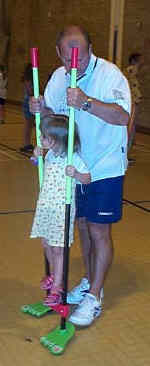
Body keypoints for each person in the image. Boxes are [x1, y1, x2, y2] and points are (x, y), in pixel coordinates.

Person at [30, 25, 131, 326]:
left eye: (82, 56)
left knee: (99, 230)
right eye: (69, 56)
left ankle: (95, 297)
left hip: (104, 166)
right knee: (85, 227)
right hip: (73, 167)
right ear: (59, 53)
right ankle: (88, 281)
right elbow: (53, 119)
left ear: (90, 48)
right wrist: (41, 108)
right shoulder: (58, 78)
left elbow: (123, 116)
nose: (76, 64)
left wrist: (86, 102)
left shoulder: (110, 75)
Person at [30, 113, 91, 306]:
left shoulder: (74, 159)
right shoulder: (48, 153)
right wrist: (35, 155)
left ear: (57, 139)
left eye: (44, 137)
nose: (40, 139)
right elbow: (34, 162)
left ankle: (57, 286)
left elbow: (87, 179)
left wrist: (76, 174)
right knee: (47, 244)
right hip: (46, 205)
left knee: (58, 248)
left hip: (61, 209)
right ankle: (55, 275)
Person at [124, 53, 144, 152]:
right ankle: (125, 152)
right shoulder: (131, 70)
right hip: (132, 102)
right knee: (130, 127)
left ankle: (128, 152)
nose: (142, 62)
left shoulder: (133, 71)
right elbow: (130, 87)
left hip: (135, 101)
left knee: (132, 127)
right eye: (139, 60)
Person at [20, 63, 35, 153]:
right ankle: (26, 144)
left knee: (28, 125)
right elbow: (29, 91)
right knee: (28, 125)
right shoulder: (29, 79)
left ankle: (27, 143)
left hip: (27, 101)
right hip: (28, 101)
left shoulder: (27, 78)